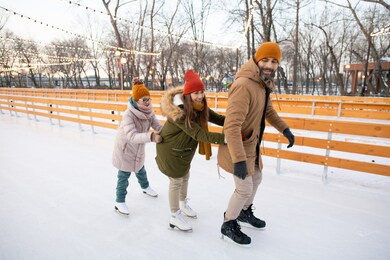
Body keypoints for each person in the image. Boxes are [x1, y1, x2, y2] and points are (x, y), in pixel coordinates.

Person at [217, 42, 295, 246]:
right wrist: (239, 160)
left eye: (274, 61)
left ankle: (243, 212)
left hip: (252, 145)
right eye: (265, 60)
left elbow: (268, 111)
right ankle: (228, 223)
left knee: (257, 177)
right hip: (238, 146)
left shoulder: (263, 83)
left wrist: (284, 129)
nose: (269, 65)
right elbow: (231, 126)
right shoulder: (244, 85)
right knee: (243, 188)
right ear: (256, 59)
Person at [156, 69, 226, 232]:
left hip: (183, 151)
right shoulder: (179, 113)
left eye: (201, 91)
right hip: (170, 151)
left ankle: (182, 204)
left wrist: (234, 122)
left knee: (185, 176)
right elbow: (198, 133)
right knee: (176, 181)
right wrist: (226, 139)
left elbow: (217, 118)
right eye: (196, 93)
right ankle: (174, 216)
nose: (200, 96)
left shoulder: (199, 108)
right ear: (187, 95)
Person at [112, 78, 163, 216]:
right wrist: (151, 137)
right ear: (136, 100)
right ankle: (119, 201)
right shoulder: (129, 115)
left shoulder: (148, 112)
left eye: (149, 99)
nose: (147, 102)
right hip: (126, 148)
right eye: (144, 100)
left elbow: (157, 126)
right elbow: (133, 136)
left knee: (140, 168)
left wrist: (169, 130)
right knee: (124, 175)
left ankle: (145, 187)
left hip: (138, 147)